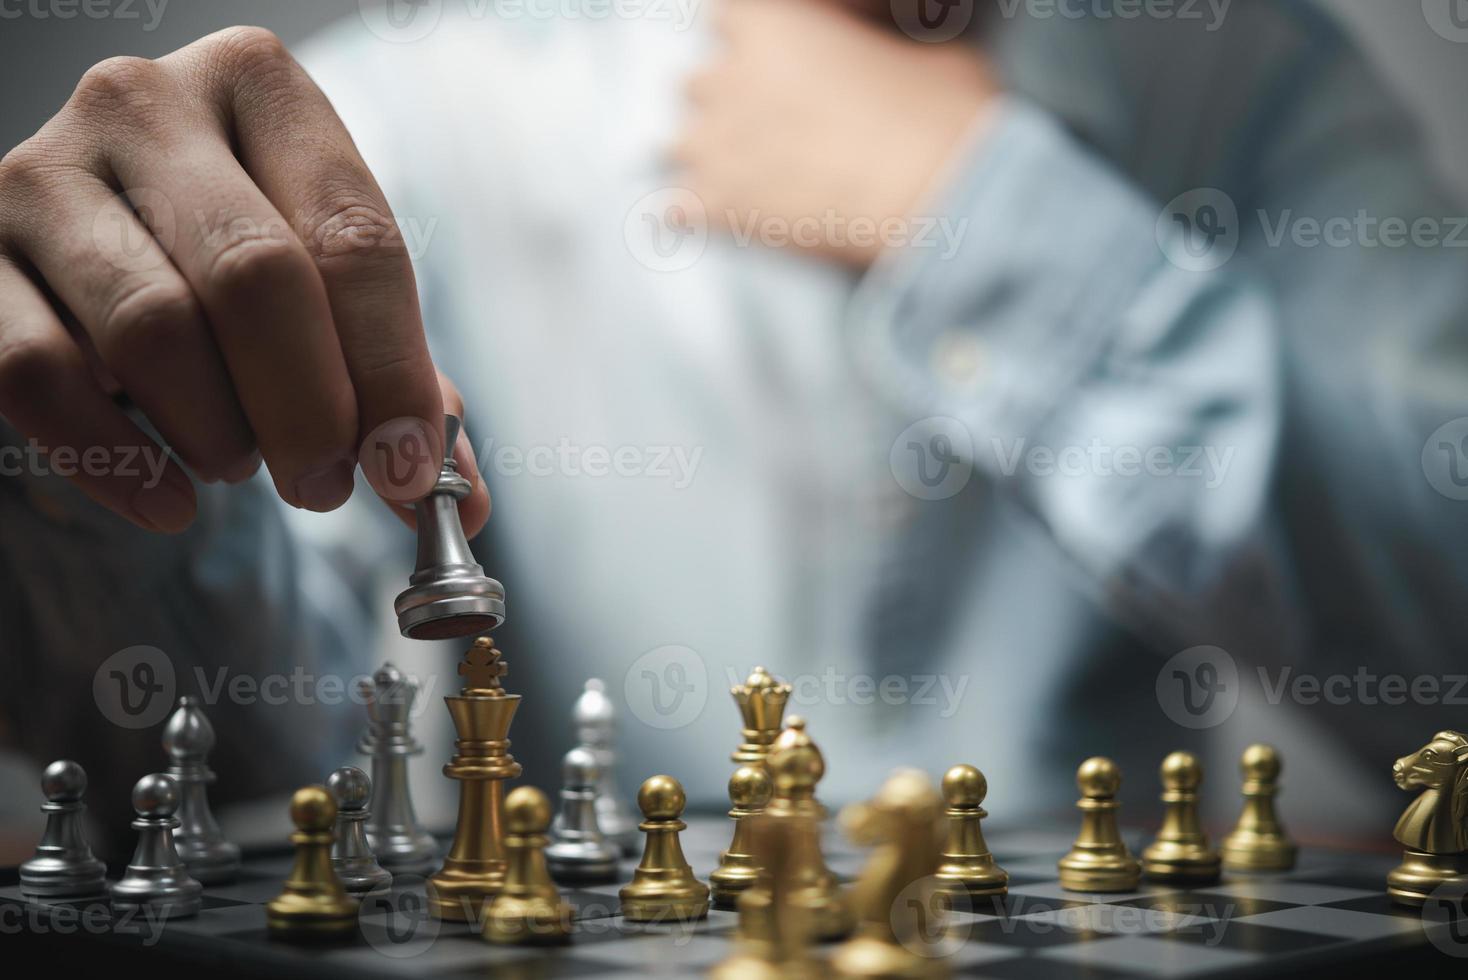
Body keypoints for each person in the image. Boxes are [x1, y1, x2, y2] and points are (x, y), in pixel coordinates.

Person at [1, 0, 1465, 852]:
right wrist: (74, 439)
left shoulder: (1245, 76)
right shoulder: (406, 124)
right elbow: (231, 765)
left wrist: (984, 210)